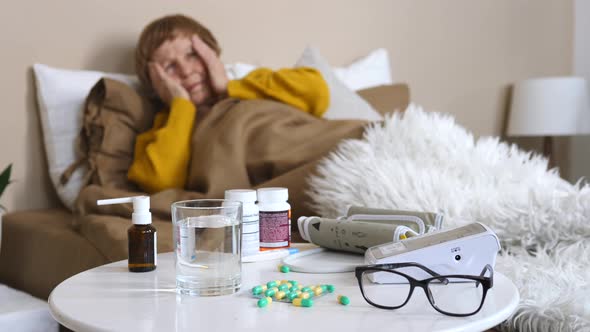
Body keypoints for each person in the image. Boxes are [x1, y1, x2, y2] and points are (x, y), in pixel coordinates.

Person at [128, 14, 330, 193]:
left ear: (210, 52)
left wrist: (227, 86)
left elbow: (318, 93)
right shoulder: (163, 131)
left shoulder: (254, 84)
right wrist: (181, 105)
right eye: (170, 67)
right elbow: (161, 182)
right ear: (155, 82)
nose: (186, 71)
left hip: (325, 155)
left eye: (192, 55)